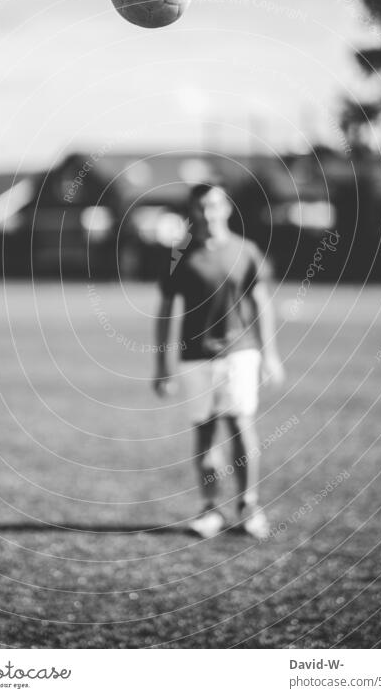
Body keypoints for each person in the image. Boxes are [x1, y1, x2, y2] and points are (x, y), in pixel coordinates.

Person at [153, 182, 285, 539]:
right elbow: (165, 313)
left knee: (241, 426)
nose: (207, 213)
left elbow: (262, 304)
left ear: (226, 208)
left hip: (240, 354)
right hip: (194, 358)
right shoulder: (178, 256)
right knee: (205, 436)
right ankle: (210, 509)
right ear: (192, 212)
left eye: (213, 205)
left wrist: (270, 354)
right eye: (200, 207)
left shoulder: (246, 251)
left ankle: (248, 506)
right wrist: (161, 367)